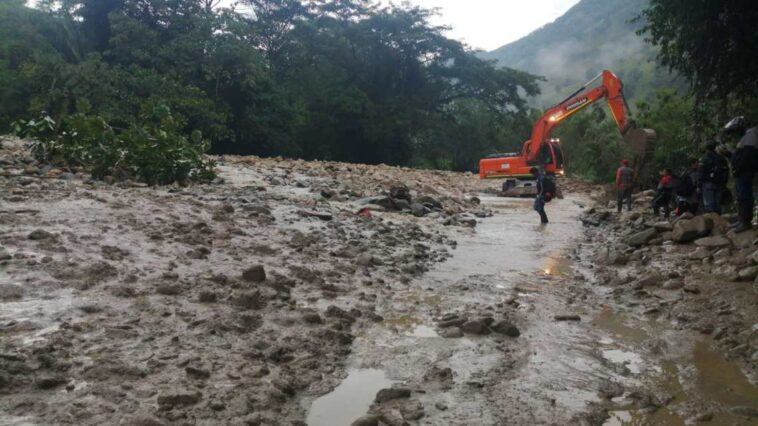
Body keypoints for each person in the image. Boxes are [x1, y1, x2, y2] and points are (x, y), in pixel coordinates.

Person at [725, 116, 758, 232]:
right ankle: (741, 219)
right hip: (741, 172)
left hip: (745, 172)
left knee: (745, 196)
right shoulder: (746, 136)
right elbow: (741, 155)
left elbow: (748, 156)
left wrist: (738, 168)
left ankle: (745, 221)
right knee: (741, 196)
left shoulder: (751, 135)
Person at [699, 141, 729, 214]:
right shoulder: (721, 158)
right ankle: (718, 220)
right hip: (719, 183)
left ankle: (712, 221)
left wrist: (700, 183)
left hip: (707, 183)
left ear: (706, 149)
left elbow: (701, 172)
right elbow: (726, 171)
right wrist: (724, 183)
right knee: (717, 204)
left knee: (709, 204)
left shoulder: (704, 158)